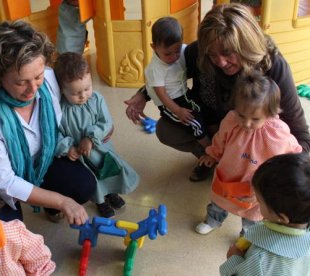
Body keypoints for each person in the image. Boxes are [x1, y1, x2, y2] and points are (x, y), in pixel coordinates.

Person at [124, 3, 310, 181]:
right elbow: (168, 75)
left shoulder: (273, 66)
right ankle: (215, 159)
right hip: (216, 129)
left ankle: (245, 168)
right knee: (166, 130)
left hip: (252, 137)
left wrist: (290, 175)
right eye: (212, 55)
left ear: (246, 45)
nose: (220, 62)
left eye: (228, 53)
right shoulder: (197, 52)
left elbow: (300, 133)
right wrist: (143, 94)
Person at [0, 20, 97, 225]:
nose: (33, 89)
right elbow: (4, 181)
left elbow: (85, 101)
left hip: (43, 158)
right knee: (5, 227)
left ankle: (46, 201)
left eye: (38, 76)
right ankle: (45, 200)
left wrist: (98, 129)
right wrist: (62, 201)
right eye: (21, 82)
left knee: (83, 185)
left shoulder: (51, 79)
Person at [194, 72, 302, 235]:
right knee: (218, 201)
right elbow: (220, 140)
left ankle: (247, 236)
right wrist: (212, 155)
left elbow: (293, 155)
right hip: (227, 175)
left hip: (254, 184)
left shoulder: (277, 133)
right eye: (241, 115)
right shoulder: (231, 120)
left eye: (255, 118)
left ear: (270, 113)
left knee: (252, 215)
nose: (246, 123)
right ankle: (213, 220)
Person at [54, 52, 139, 218]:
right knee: (94, 178)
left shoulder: (97, 99)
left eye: (87, 88)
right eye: (75, 93)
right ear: (62, 90)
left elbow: (106, 122)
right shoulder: (59, 109)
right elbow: (55, 133)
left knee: (109, 171)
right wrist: (67, 147)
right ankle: (100, 202)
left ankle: (112, 193)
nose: (83, 95)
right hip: (80, 156)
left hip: (101, 149)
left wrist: (90, 138)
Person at [220, 153, 310, 275]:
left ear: (281, 217)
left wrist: (233, 259)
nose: (257, 202)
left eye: (260, 201)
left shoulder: (261, 259)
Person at [145, 16, 209, 152]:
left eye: (177, 51)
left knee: (203, 111)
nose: (174, 57)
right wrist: (177, 110)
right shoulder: (155, 68)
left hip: (184, 94)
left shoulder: (183, 50)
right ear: (154, 47)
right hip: (169, 103)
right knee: (195, 122)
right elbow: (161, 94)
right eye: (168, 54)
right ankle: (210, 150)